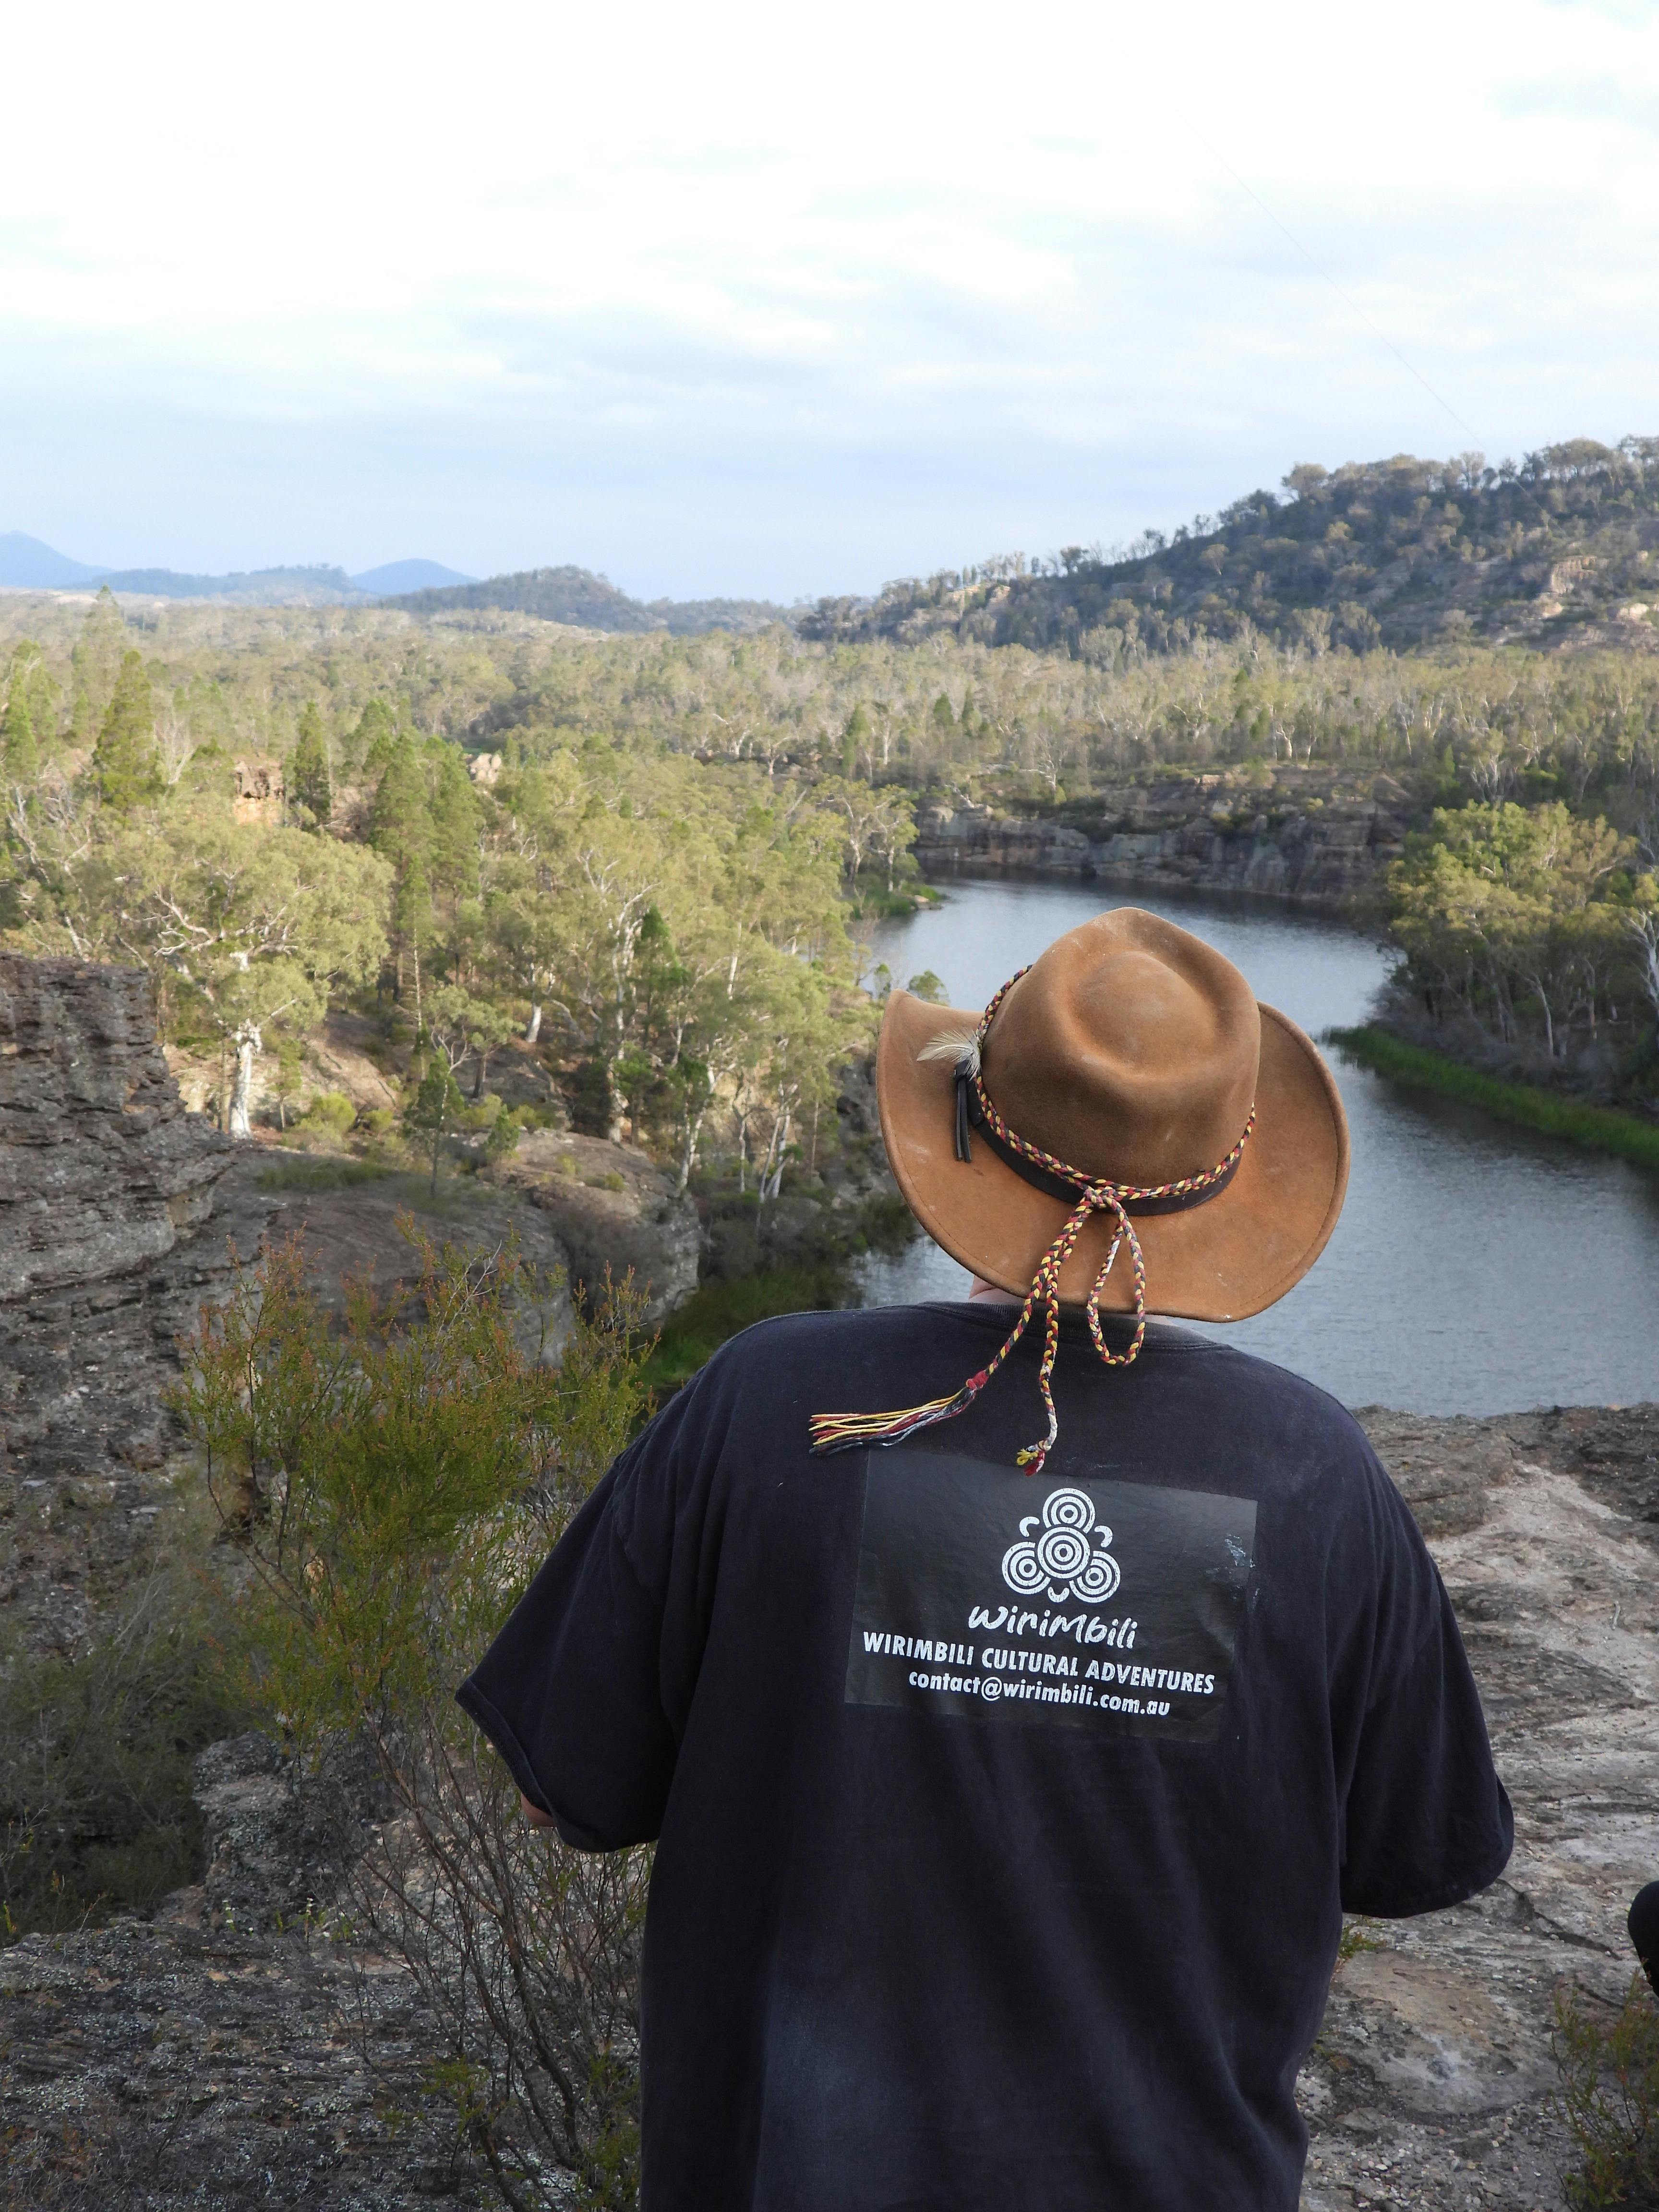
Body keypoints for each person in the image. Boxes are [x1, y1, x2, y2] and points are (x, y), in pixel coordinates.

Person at [458, 906, 1513, 2212]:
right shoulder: (1318, 1474)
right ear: (1228, 1178)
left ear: (964, 1130)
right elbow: (1418, 1858)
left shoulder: (763, 1399)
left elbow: (569, 1796)